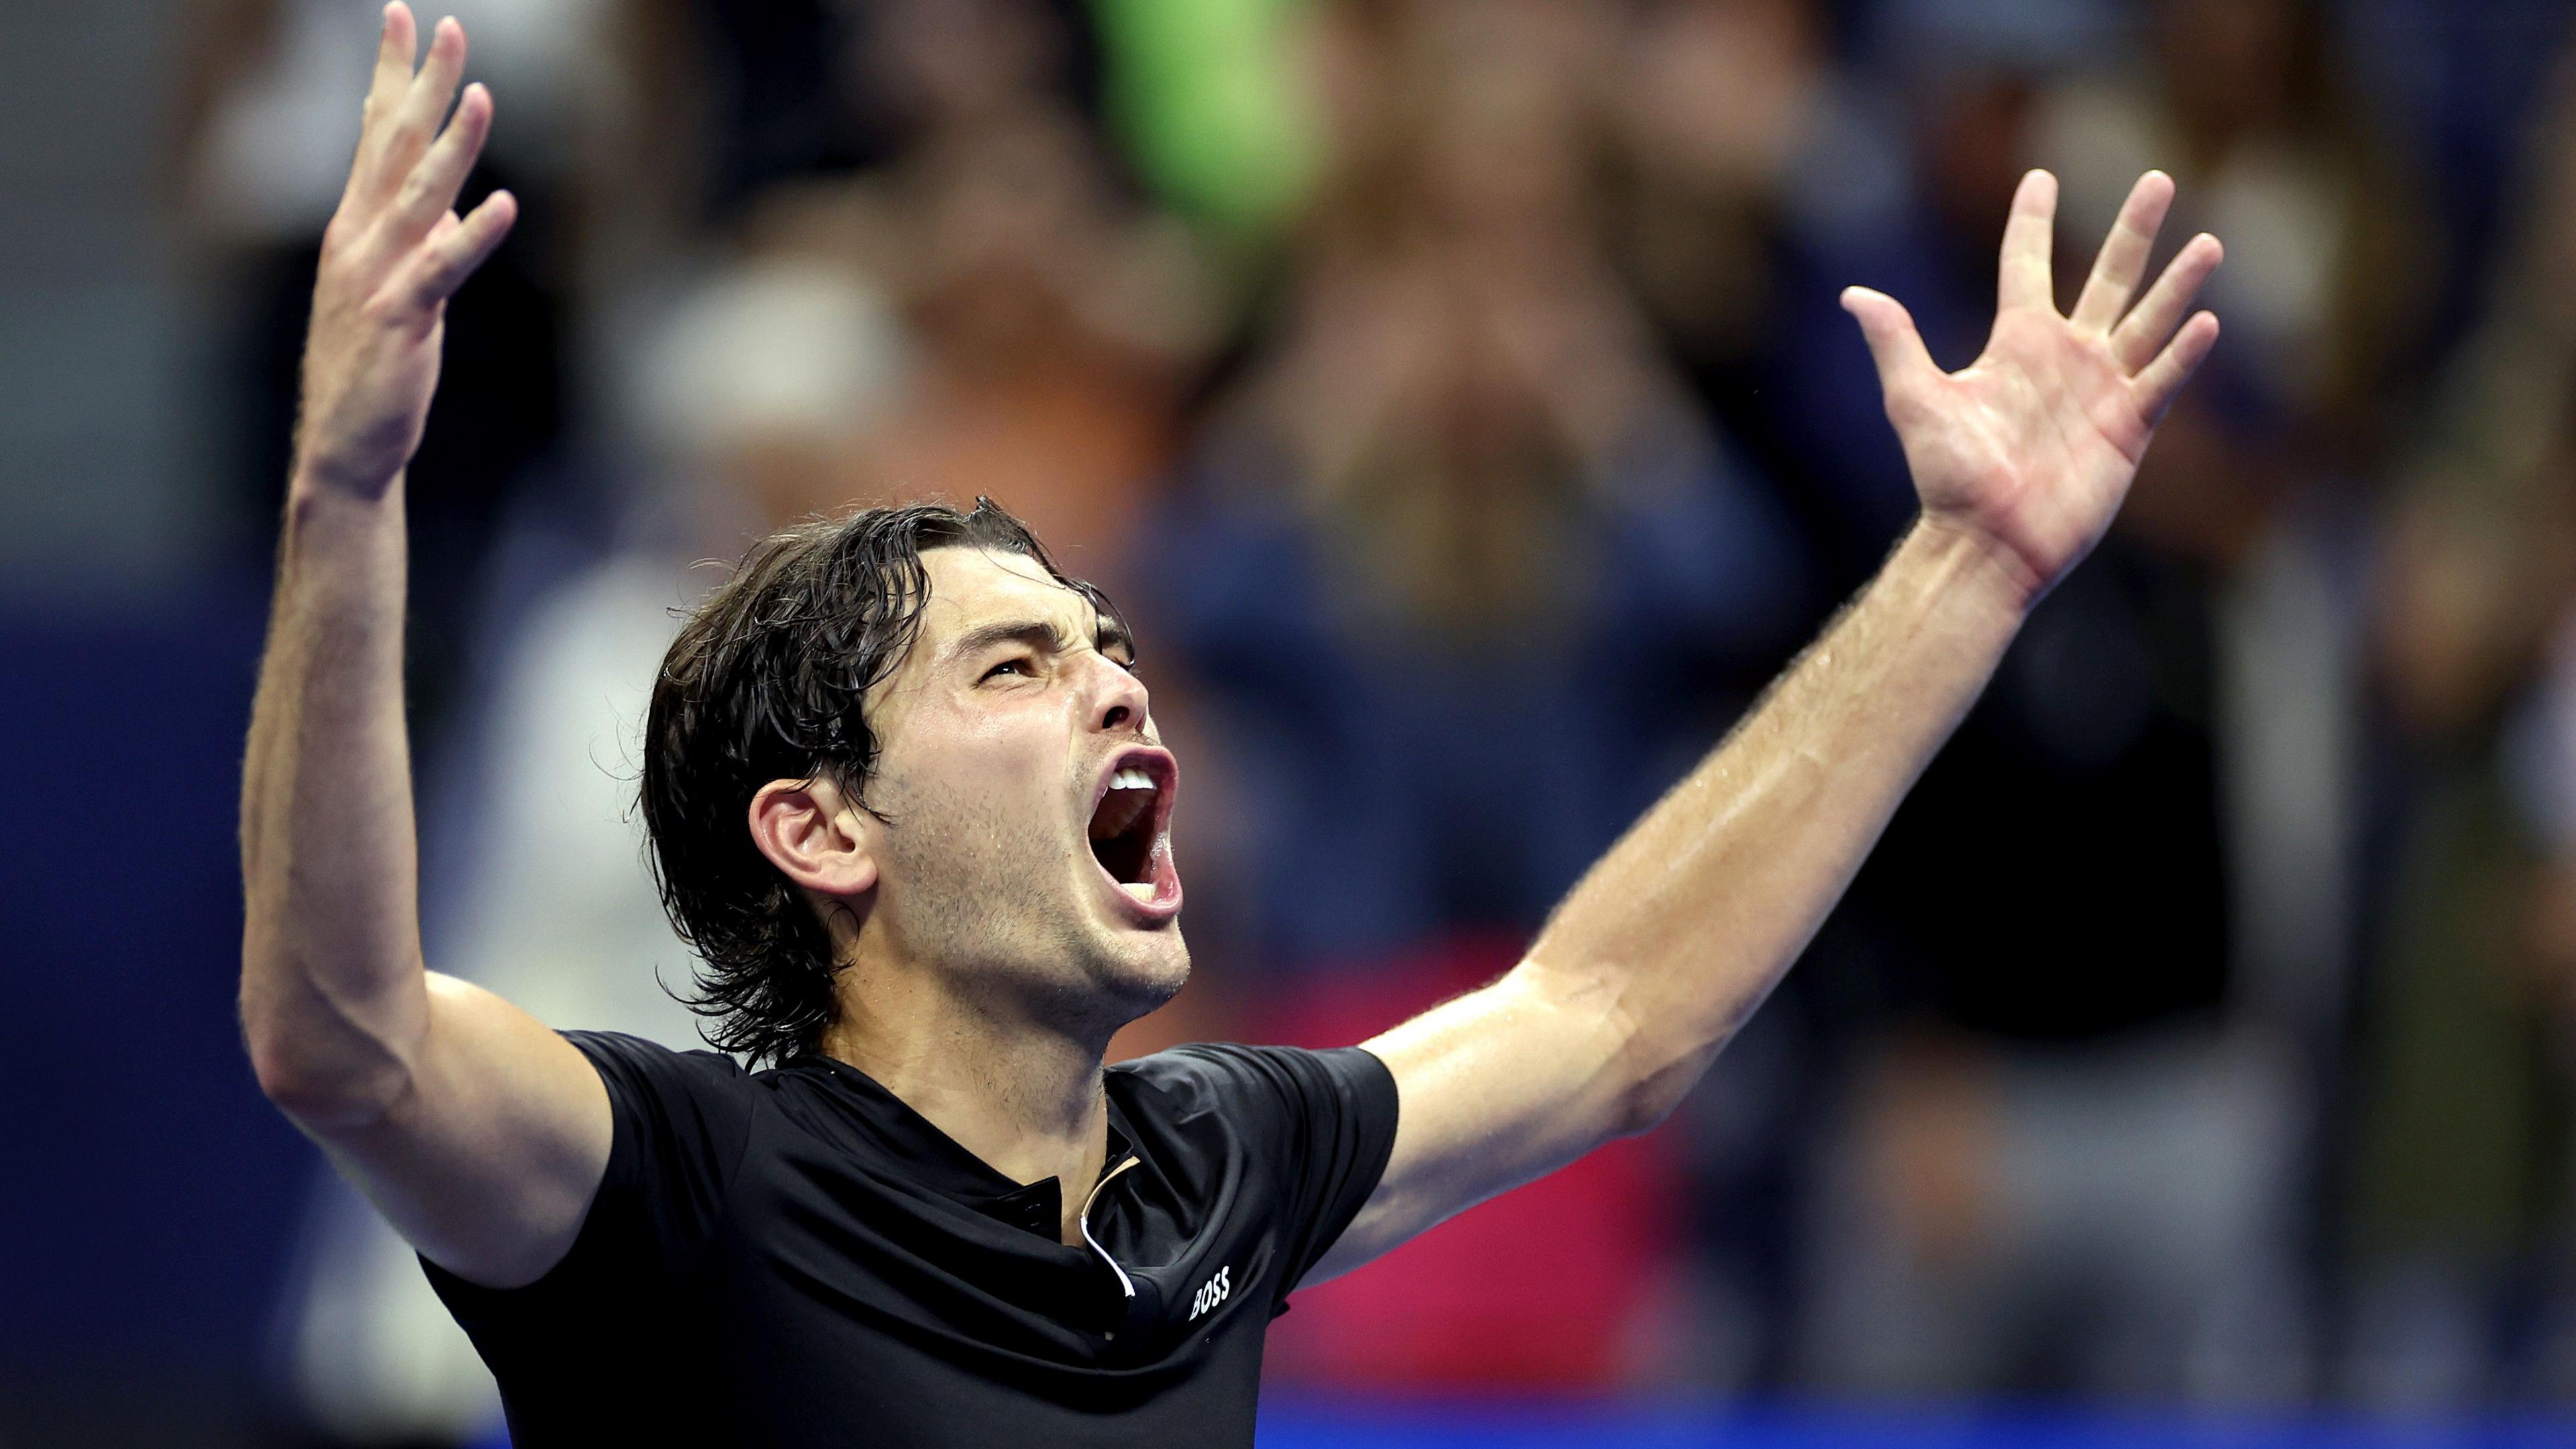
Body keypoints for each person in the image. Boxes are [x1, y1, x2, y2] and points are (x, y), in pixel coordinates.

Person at [236, 8, 2222, 1444]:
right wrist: (339, 497)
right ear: (823, 831)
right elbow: (342, 1040)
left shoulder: (1216, 1169)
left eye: (1102, 639)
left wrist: (1970, 566)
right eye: (1012, 666)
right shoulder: (678, 1181)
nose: (1116, 677)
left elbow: (1618, 1013)